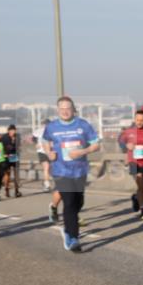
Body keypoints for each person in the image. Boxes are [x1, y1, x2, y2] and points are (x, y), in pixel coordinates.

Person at [42, 96, 100, 252]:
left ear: (73, 109)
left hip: (80, 170)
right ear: (57, 110)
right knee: (68, 203)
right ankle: (73, 237)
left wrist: (83, 151)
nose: (65, 111)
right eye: (62, 108)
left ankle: (68, 229)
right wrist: (49, 153)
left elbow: (96, 145)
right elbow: (45, 140)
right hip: (61, 171)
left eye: (68, 108)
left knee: (78, 202)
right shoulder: (52, 127)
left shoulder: (83, 125)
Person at [118, 109, 143, 220]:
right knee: (140, 182)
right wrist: (126, 146)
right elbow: (120, 141)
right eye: (137, 120)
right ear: (134, 119)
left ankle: (136, 197)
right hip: (134, 162)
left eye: (141, 120)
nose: (139, 122)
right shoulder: (129, 131)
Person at [0, 125, 22, 198]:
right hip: (6, 156)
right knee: (7, 174)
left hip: (14, 156)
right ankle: (6, 190)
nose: (13, 132)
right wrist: (3, 155)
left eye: (14, 130)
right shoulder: (4, 137)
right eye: (11, 130)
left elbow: (19, 146)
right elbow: (0, 146)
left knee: (16, 174)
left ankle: (16, 191)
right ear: (8, 131)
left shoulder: (17, 136)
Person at [33, 119, 53, 192]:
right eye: (45, 124)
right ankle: (47, 185)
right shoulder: (39, 131)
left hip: (51, 151)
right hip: (42, 151)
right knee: (46, 167)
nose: (46, 126)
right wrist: (36, 144)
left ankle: (45, 181)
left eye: (47, 124)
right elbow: (33, 138)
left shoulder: (53, 131)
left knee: (51, 168)